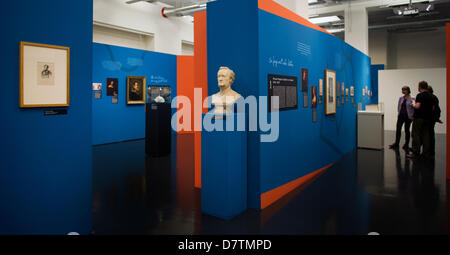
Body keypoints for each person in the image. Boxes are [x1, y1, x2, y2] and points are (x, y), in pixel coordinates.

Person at [407, 81, 434, 159]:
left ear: (420, 87)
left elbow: (418, 106)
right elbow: (432, 108)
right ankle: (425, 153)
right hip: (428, 118)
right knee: (426, 136)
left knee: (416, 135)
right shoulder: (431, 96)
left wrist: (413, 104)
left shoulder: (420, 95)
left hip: (419, 118)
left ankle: (415, 152)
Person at [389, 86, 414, 150]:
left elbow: (413, 108)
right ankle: (396, 143)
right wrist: (399, 113)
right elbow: (399, 106)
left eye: (404, 90)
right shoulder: (401, 98)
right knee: (398, 129)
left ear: (408, 90)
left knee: (407, 130)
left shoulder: (412, 99)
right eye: (402, 90)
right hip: (401, 116)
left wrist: (412, 116)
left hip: (408, 117)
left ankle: (406, 144)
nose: (403, 91)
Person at [427, 85, 442, 156]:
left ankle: (430, 150)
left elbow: (433, 108)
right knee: (430, 134)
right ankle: (430, 150)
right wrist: (437, 118)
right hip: (432, 118)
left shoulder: (431, 97)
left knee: (429, 134)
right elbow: (437, 109)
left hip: (430, 118)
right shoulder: (435, 97)